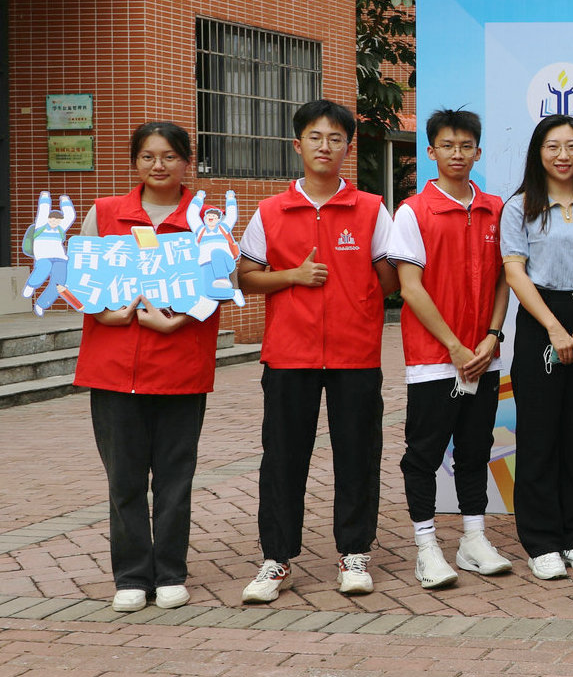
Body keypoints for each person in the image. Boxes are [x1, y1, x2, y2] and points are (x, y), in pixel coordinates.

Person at [238, 101, 397, 603]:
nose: (324, 146)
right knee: (283, 459)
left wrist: (357, 298)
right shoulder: (271, 211)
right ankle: (276, 560)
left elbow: (391, 278)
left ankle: (355, 554)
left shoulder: (371, 208)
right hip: (290, 354)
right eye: (314, 137)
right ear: (297, 145)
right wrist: (293, 276)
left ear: (348, 147)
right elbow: (246, 278)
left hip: (355, 354)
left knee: (358, 455)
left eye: (335, 138)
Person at [74, 122, 221, 611]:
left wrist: (179, 321)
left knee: (175, 480)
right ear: (135, 161)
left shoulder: (206, 218)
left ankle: (172, 573)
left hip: (180, 368)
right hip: (114, 370)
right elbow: (80, 280)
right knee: (125, 480)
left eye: (169, 156)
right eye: (148, 156)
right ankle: (132, 576)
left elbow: (220, 285)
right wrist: (102, 313)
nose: (159, 165)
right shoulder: (105, 213)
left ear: (187, 162)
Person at [388, 108, 513, 590]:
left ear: (478, 152)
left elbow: (504, 278)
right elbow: (410, 287)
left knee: (476, 450)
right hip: (434, 361)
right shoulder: (413, 211)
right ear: (431, 151)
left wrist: (491, 337)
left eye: (465, 146)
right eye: (447, 145)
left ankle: (473, 540)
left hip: (483, 357)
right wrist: (455, 347)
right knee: (423, 454)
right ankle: (427, 547)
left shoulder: (495, 209)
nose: (457, 154)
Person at [501, 114, 573, 581]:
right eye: (553, 147)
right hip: (539, 321)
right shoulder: (519, 207)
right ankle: (542, 541)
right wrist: (554, 328)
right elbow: (515, 273)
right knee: (539, 435)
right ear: (538, 152)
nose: (563, 156)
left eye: (571, 146)